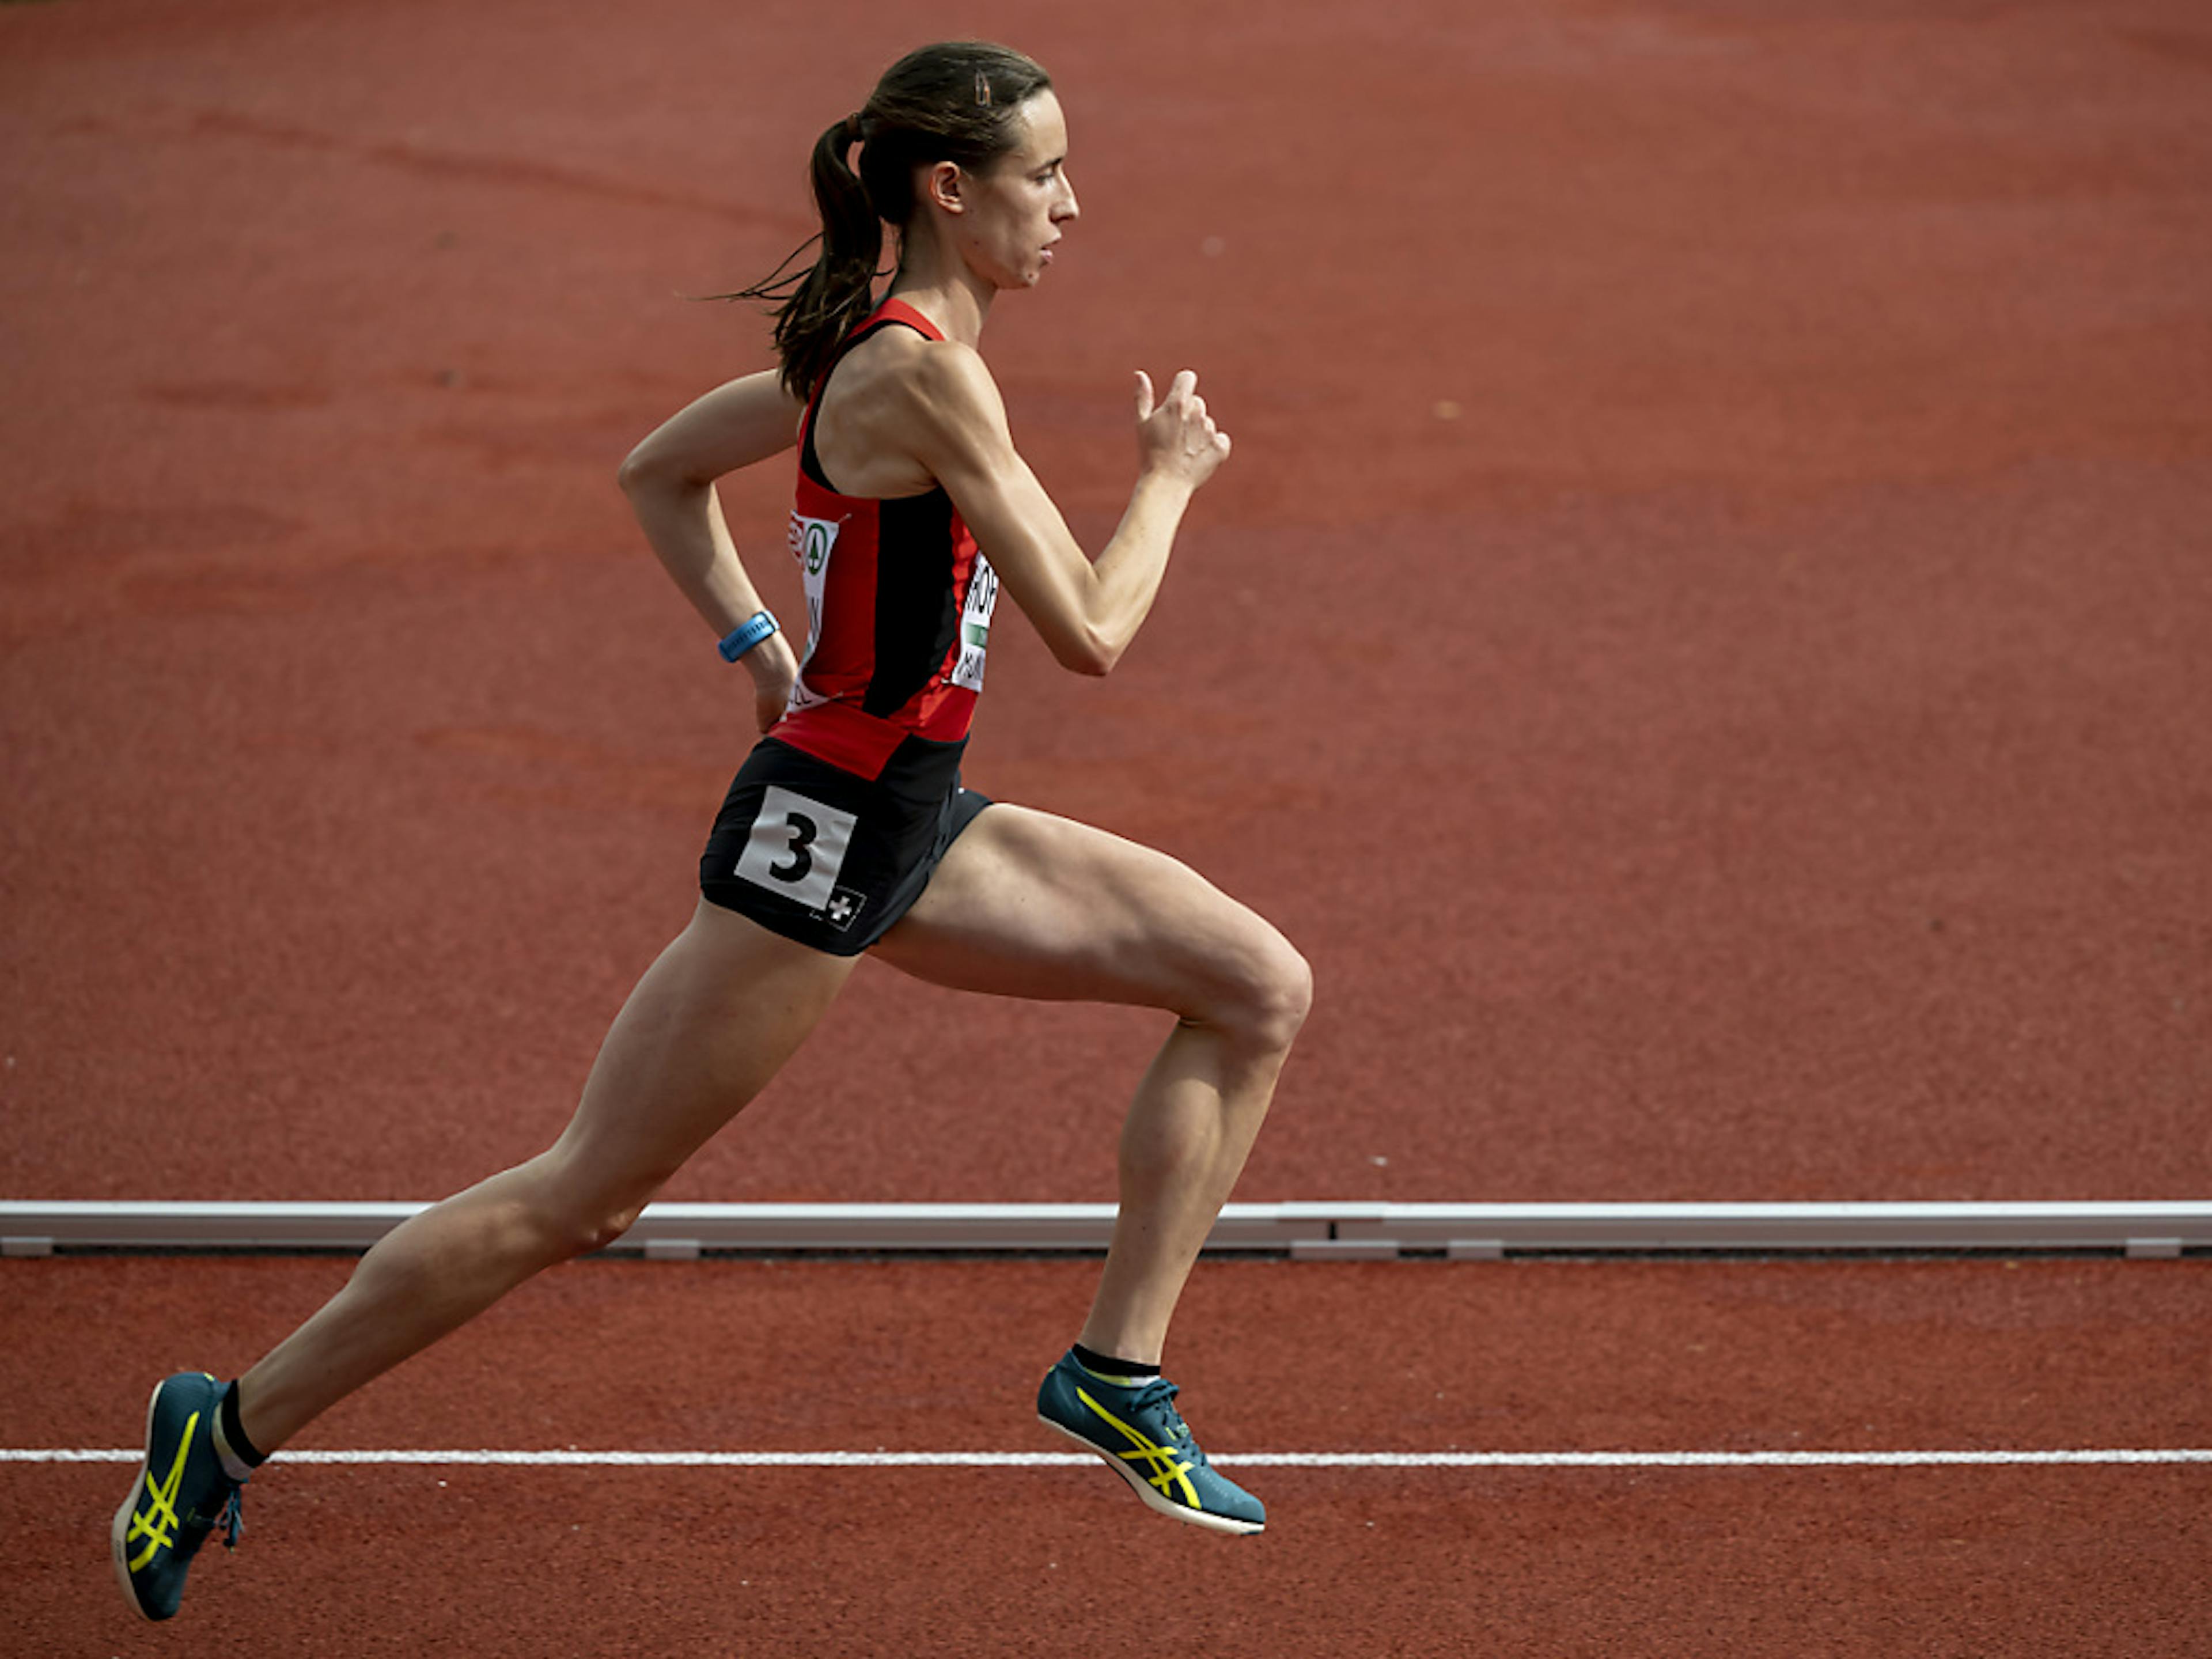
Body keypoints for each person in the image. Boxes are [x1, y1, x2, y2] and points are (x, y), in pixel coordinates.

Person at [112, 39, 1310, 1621]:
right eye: (1047, 175)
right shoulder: (917, 371)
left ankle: (1115, 1373)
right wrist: (1166, 483)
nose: (1074, 206)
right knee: (587, 1196)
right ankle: (229, 1423)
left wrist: (762, 655)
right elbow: (1090, 628)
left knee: (1254, 988)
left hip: (914, 816)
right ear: (952, 191)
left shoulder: (886, 346)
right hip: (822, 836)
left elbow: (660, 472)